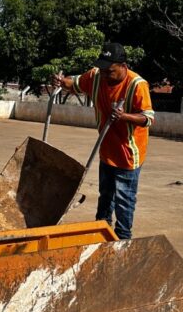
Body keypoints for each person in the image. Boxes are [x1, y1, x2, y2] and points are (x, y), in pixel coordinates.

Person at [54, 42, 154, 240]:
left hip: (128, 153)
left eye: (110, 71)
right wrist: (61, 81)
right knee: (105, 195)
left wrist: (125, 116)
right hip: (106, 149)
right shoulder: (96, 76)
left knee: (124, 199)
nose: (105, 75)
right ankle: (101, 231)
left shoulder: (137, 85)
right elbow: (74, 83)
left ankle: (123, 238)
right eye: (103, 70)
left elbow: (148, 118)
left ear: (123, 67)